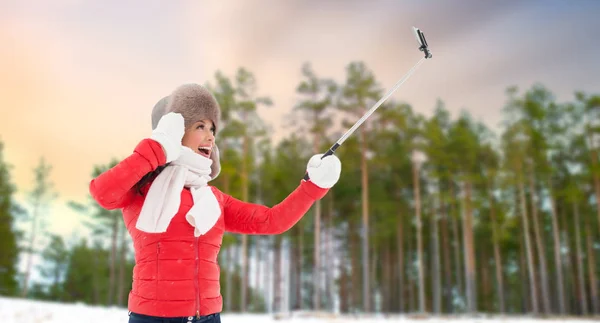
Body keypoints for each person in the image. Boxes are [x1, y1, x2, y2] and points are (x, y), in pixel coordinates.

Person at [89, 83, 342, 323]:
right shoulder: (140, 189)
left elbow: (272, 221)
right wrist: (158, 146)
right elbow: (102, 192)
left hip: (208, 317)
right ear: (175, 131)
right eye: (200, 126)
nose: (210, 137)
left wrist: (313, 187)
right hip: (152, 318)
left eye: (212, 129)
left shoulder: (213, 199)